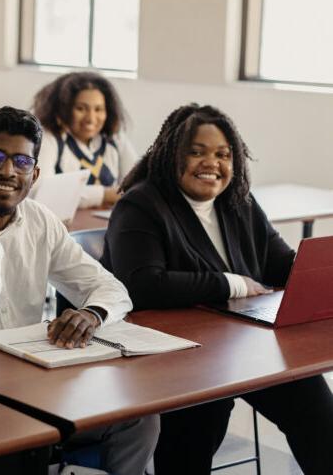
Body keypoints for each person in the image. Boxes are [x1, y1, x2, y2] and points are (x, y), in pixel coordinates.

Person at [0, 106, 158, 475]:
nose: (7, 171)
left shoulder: (39, 220)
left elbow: (112, 289)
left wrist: (92, 313)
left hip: (30, 378)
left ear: (35, 173)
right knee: (21, 444)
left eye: (21, 161)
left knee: (138, 419)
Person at [101, 104, 333, 474]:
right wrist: (233, 282)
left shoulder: (238, 201)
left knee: (319, 415)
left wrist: (319, 275)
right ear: (170, 154)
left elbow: (280, 265)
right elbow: (142, 285)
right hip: (178, 357)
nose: (211, 163)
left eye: (223, 154)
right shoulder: (141, 204)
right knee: (197, 429)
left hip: (244, 348)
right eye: (196, 152)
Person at [30, 71, 136, 208]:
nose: (91, 119)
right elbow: (41, 193)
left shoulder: (115, 139)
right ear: (64, 109)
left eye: (98, 109)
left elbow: (137, 185)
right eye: (81, 109)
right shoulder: (51, 139)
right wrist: (106, 194)